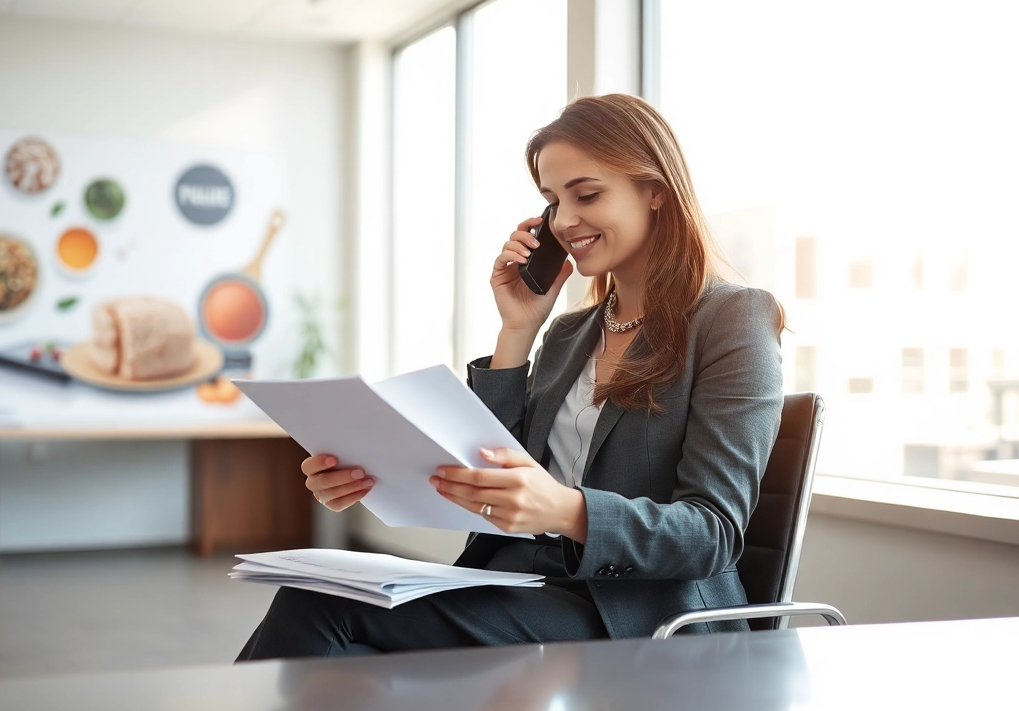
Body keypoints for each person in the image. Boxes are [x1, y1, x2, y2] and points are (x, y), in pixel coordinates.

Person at [236, 93, 784, 661]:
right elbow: (493, 474)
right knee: (329, 621)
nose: (564, 221)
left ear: (655, 191)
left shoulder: (733, 318)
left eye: (587, 194)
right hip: (525, 587)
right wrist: (515, 331)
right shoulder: (569, 334)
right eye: (551, 202)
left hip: (639, 616)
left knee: (322, 610)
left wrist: (565, 510)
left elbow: (712, 532)